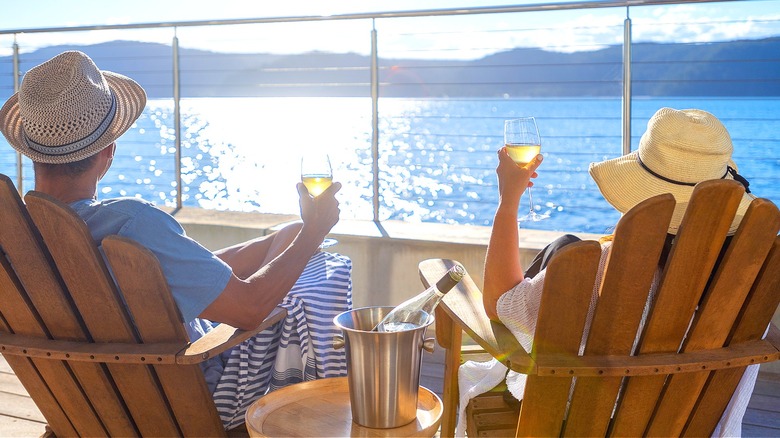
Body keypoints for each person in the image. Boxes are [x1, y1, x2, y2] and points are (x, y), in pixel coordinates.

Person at [0, 50, 352, 430]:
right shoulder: (132, 224)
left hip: (82, 405)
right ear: (108, 153)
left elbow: (153, 279)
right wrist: (314, 230)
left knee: (284, 241)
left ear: (31, 153)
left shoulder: (16, 238)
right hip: (187, 398)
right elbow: (249, 310)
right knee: (322, 268)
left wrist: (269, 248)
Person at [458, 107, 758, 437]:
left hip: (578, 421)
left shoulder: (609, 269)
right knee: (565, 246)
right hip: (681, 423)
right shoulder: (742, 277)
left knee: (565, 258)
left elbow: (500, 304)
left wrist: (508, 199)